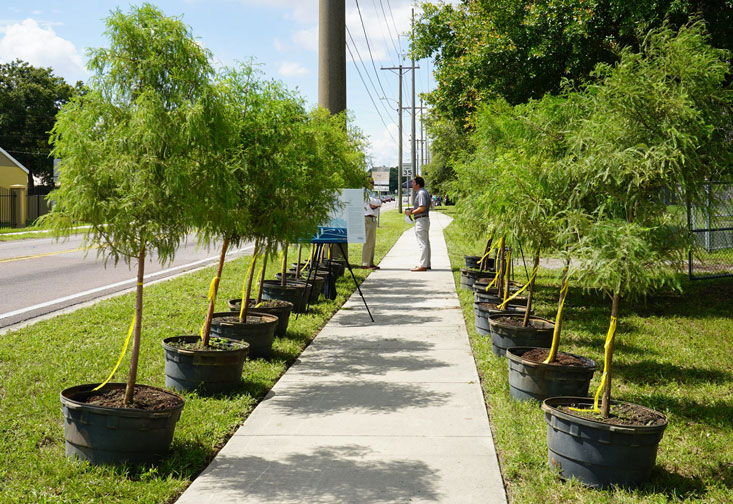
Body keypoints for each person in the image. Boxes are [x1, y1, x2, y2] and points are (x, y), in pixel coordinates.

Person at [405, 176, 431, 271]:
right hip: (424, 219)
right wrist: (413, 209)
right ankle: (427, 264)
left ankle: (422, 265)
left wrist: (411, 212)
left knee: (422, 243)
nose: (412, 184)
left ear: (418, 184)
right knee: (426, 242)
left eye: (413, 182)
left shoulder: (420, 193)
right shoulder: (424, 192)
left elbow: (422, 207)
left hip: (421, 220)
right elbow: (427, 205)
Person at [362, 177, 382, 270]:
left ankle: (370, 262)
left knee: (372, 242)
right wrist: (377, 203)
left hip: (373, 218)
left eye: (373, 182)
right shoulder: (364, 192)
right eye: (371, 183)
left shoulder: (371, 192)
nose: (373, 184)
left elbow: (378, 202)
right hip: (368, 217)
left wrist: (377, 203)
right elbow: (374, 202)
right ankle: (366, 263)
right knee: (368, 242)